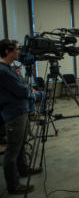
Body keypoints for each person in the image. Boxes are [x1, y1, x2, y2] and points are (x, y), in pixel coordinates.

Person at [0, 39, 42, 195]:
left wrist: (26, 89)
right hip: (14, 114)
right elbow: (21, 90)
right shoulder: (2, 71)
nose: (19, 52)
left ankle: (23, 169)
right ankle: (13, 185)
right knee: (12, 151)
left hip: (20, 111)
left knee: (21, 144)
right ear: (7, 51)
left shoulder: (8, 68)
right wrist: (28, 91)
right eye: (16, 49)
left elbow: (21, 85)